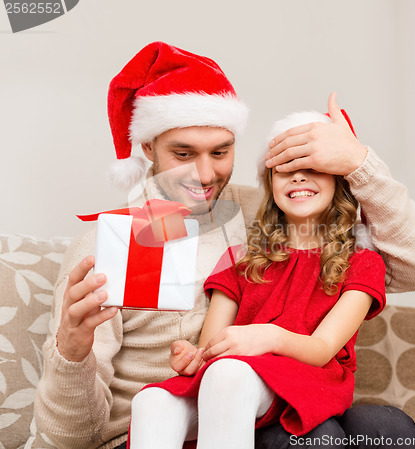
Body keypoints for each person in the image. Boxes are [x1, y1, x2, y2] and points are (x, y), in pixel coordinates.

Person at [34, 41, 415, 449]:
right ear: (147, 147)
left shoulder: (267, 213)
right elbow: (67, 439)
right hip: (157, 425)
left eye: (220, 152)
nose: (205, 174)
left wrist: (358, 163)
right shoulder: (108, 244)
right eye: (183, 153)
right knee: (314, 435)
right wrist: (71, 351)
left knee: (388, 430)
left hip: (266, 399)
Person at [128, 109, 388, 449]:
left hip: (305, 380)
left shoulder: (361, 262)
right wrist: (193, 357)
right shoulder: (243, 260)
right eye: (285, 171)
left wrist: (267, 337)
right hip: (232, 379)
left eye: (312, 169)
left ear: (339, 181)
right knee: (151, 401)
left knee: (228, 374)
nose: (297, 178)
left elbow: (322, 350)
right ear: (270, 183)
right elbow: (212, 349)